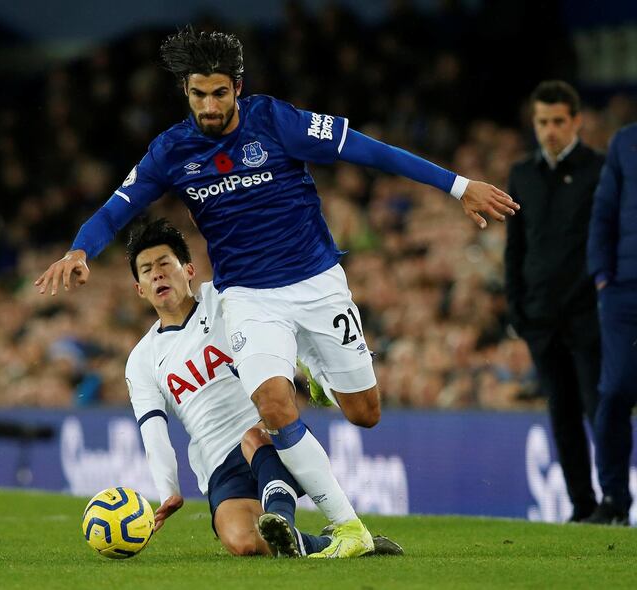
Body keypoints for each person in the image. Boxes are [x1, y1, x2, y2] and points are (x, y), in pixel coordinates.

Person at [35, 27, 518, 556]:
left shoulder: (277, 121)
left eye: (219, 93)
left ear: (238, 87)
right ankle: (349, 530)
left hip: (317, 284)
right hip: (249, 297)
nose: (210, 105)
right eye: (198, 94)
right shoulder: (172, 150)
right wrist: (81, 249)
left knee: (365, 413)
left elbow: (369, 152)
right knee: (271, 402)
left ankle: (315, 368)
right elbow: (118, 207)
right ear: (186, 92)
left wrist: (458, 186)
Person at [124, 219, 403, 556]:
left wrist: (318, 364)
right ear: (140, 288)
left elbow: (291, 313)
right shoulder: (141, 359)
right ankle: (328, 544)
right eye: (146, 270)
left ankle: (280, 515)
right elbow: (153, 431)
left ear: (189, 269)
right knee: (244, 542)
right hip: (217, 464)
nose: (157, 274)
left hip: (271, 433)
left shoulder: (230, 298)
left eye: (165, 264)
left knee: (254, 436)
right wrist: (168, 489)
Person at [504, 80, 603, 522]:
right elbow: (515, 247)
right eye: (542, 122)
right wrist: (518, 310)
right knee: (563, 415)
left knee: (601, 411)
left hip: (589, 318)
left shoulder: (600, 170)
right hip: (542, 319)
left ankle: (617, 498)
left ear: (576, 120)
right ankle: (584, 506)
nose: (550, 130)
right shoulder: (522, 174)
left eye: (558, 121)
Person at [584, 122, 637, 526]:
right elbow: (603, 211)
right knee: (616, 389)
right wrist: (603, 274)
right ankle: (614, 499)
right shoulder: (626, 142)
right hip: (623, 290)